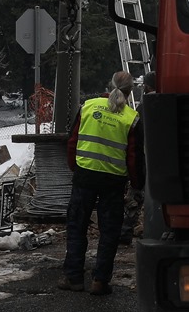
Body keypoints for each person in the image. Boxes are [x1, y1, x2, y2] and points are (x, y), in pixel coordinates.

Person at [58, 70, 141, 294]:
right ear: (130, 90)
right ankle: (100, 281)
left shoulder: (88, 106)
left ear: (108, 85)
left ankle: (73, 277)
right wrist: (136, 183)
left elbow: (72, 141)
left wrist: (75, 168)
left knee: (77, 226)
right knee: (109, 231)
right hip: (113, 181)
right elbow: (133, 156)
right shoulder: (131, 118)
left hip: (85, 175)